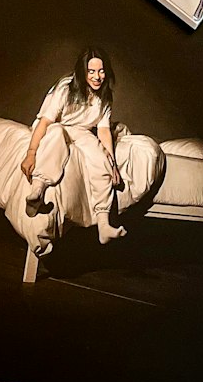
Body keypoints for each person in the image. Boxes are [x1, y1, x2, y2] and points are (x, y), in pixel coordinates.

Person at [19, 46, 127, 245]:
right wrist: (31, 153)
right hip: (55, 125)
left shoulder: (105, 96)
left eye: (101, 71)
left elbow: (103, 131)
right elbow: (45, 122)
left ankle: (103, 224)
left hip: (82, 131)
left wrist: (112, 165)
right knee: (57, 136)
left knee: (99, 155)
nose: (97, 77)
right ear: (82, 72)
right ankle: (37, 190)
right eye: (91, 71)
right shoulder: (66, 88)